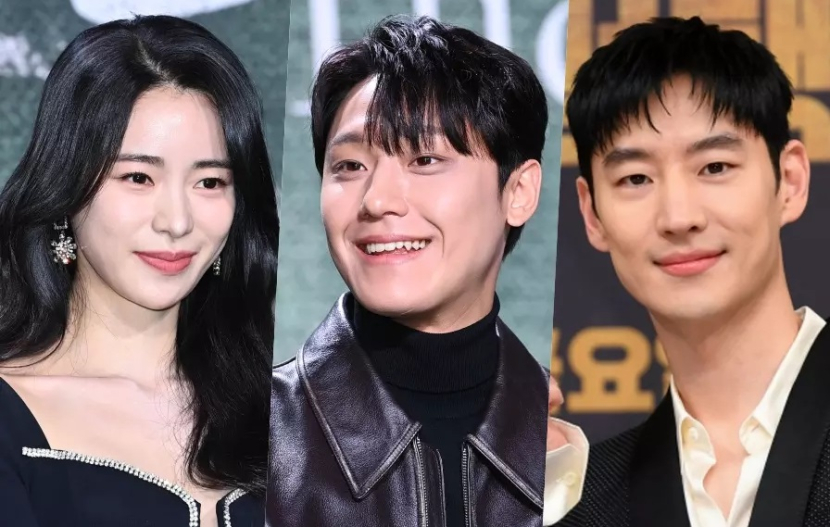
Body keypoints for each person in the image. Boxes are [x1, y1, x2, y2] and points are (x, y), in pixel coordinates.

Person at [267, 14, 587, 527]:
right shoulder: (254, 436)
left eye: (425, 160)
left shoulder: (575, 446)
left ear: (519, 192)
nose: (377, 201)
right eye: (350, 166)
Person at [0, 15, 279, 527]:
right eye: (138, 177)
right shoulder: (10, 416)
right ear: (66, 187)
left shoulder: (288, 413)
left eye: (210, 183)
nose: (176, 221)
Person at [555, 16, 828, 527]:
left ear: (789, 181)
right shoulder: (578, 505)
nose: (679, 217)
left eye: (715, 167)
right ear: (592, 214)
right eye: (636, 178)